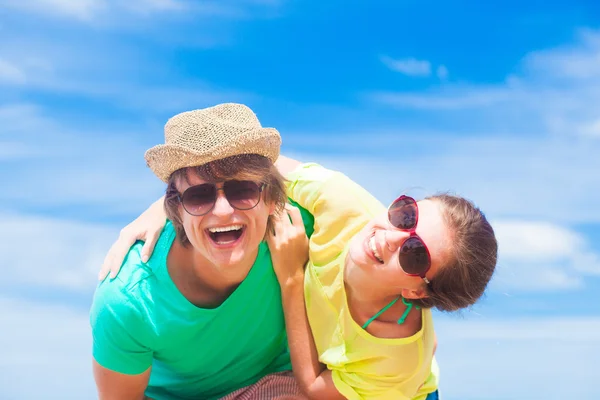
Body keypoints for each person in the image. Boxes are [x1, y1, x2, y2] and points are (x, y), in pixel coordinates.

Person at [100, 154, 498, 396]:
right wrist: (165, 209)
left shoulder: (394, 358)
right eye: (405, 214)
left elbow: (314, 388)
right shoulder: (343, 206)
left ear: (417, 292)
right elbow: (245, 165)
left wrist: (291, 278)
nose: (390, 236)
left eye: (414, 254)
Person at [90, 103, 312, 400]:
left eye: (242, 190)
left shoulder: (303, 232)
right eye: (199, 196)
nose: (222, 211)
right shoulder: (129, 300)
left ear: (272, 200)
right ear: (176, 211)